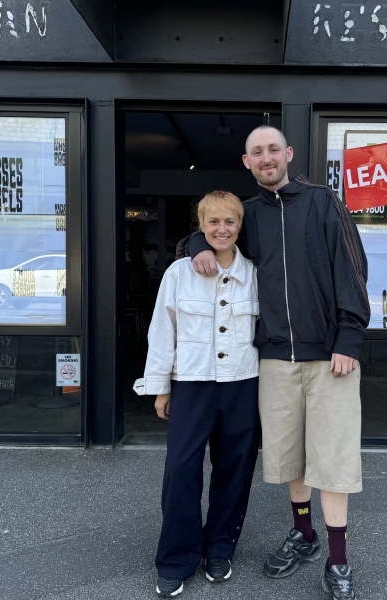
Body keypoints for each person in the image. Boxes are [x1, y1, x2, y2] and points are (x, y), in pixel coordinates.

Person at [186, 125, 369, 600]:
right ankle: (303, 536)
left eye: (273, 149)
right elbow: (210, 230)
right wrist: (197, 246)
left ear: (287, 154)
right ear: (247, 162)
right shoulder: (246, 216)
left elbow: (353, 266)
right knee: (289, 457)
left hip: (332, 358)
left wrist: (349, 336)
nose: (266, 157)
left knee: (332, 459)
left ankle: (338, 559)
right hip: (272, 358)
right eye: (256, 152)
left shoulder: (323, 202)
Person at [134, 191, 262, 597]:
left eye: (230, 222)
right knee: (181, 472)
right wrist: (160, 387)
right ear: (201, 226)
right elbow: (161, 332)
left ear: (240, 227)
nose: (222, 229)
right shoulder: (178, 273)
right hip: (191, 384)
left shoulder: (256, 273)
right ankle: (176, 557)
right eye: (213, 223)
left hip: (243, 384)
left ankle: (220, 547)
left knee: (235, 471)